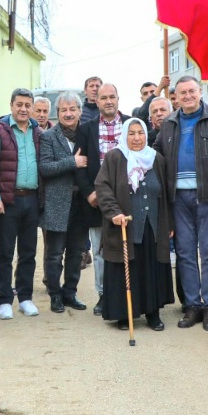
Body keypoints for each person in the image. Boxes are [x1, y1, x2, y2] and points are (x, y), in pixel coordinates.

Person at [156, 76, 208, 331]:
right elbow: (157, 159)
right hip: (178, 199)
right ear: (176, 97)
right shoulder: (168, 124)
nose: (188, 96)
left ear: (200, 92)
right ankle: (192, 306)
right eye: (183, 93)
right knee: (184, 253)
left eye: (192, 91)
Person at [94, 118, 174, 330]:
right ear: (124, 136)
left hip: (153, 225)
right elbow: (103, 188)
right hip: (125, 224)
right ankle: (124, 313)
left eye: (141, 133)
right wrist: (114, 213)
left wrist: (169, 222)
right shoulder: (114, 157)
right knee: (126, 266)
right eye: (132, 133)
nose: (137, 138)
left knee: (151, 266)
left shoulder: (156, 158)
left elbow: (165, 192)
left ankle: (152, 313)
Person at [0, 89, 43, 319]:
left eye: (27, 105)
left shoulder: (38, 131)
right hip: (8, 201)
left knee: (28, 252)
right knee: (5, 253)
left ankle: (25, 298)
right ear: (11, 105)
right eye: (19, 104)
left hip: (32, 198)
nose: (23, 109)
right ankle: (4, 300)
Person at [76, 83, 129, 314]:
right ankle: (103, 294)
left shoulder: (131, 125)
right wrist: (89, 192)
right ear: (95, 101)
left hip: (127, 199)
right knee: (99, 251)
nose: (108, 101)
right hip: (97, 200)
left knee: (127, 248)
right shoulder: (86, 129)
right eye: (103, 97)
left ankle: (126, 292)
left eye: (112, 97)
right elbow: (79, 164)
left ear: (119, 99)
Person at [38, 92, 91, 313]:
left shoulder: (87, 133)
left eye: (72, 109)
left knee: (76, 251)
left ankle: (70, 292)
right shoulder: (48, 136)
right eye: (63, 110)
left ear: (80, 111)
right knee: (54, 253)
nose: (68, 114)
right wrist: (72, 162)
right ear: (57, 113)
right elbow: (45, 168)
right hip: (57, 202)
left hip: (82, 202)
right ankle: (55, 295)